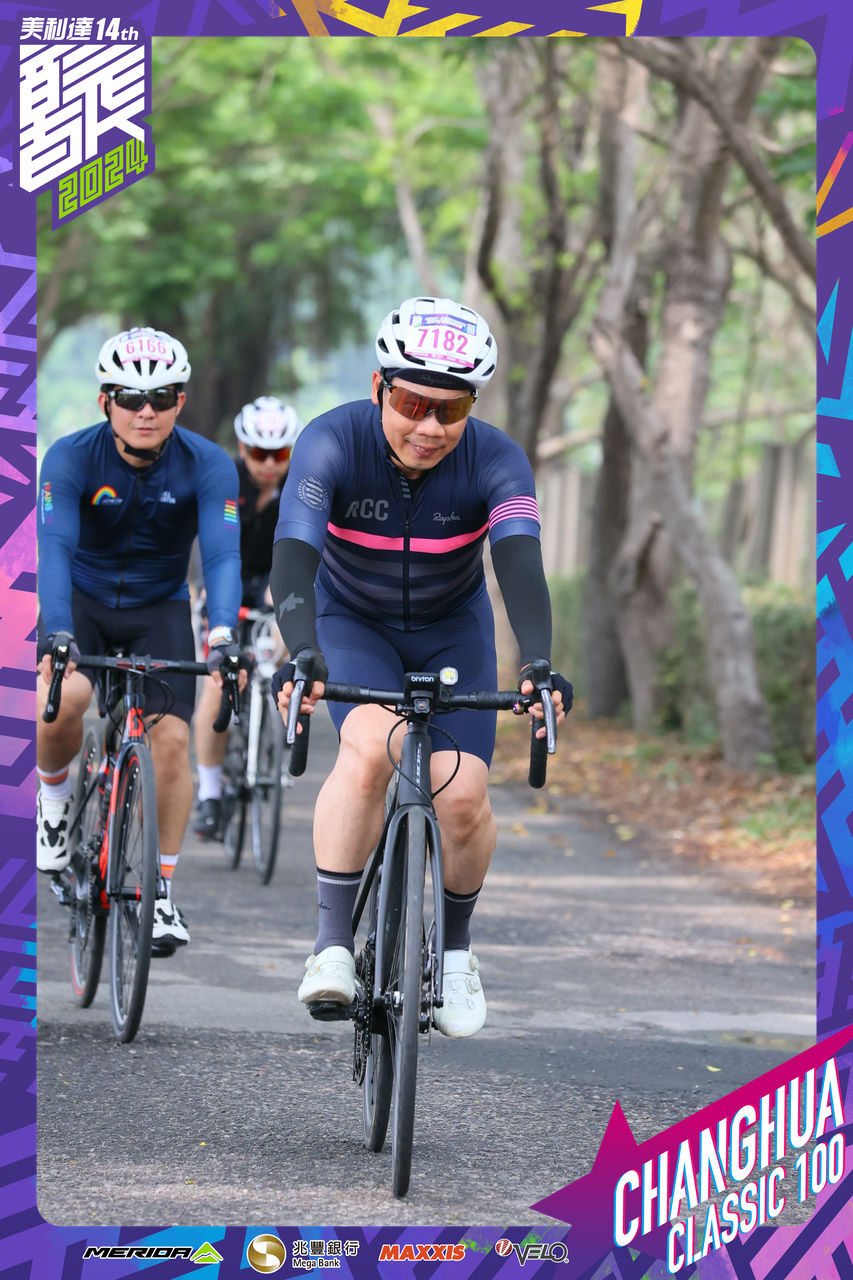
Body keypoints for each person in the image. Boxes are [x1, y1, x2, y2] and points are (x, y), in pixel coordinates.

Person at [270, 296, 572, 1037]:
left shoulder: (496, 458)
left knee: (463, 797)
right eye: (411, 404)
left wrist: (538, 661)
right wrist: (302, 650)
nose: (430, 428)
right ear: (379, 387)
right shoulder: (330, 440)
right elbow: (295, 554)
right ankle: (332, 946)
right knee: (370, 749)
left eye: (452, 409)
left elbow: (519, 562)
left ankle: (456, 956)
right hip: (351, 622)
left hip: (452, 630)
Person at [36, 326, 244, 954]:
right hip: (81, 602)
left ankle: (159, 893)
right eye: (130, 398)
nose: (145, 411)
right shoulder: (70, 458)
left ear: (181, 401)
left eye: (161, 397)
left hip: (160, 608)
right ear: (106, 402)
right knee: (64, 697)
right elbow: (54, 548)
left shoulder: (209, 464)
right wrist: (56, 631)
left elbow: (222, 554)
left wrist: (223, 635)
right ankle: (55, 801)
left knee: (172, 741)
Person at [193, 396, 302, 839]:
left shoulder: (302, 485)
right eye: (259, 452)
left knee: (285, 643)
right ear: (242, 448)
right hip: (225, 580)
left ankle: (269, 721)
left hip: (275, 580)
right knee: (218, 682)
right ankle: (209, 792)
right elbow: (204, 543)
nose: (270, 463)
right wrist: (204, 591)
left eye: (280, 453)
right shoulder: (224, 479)